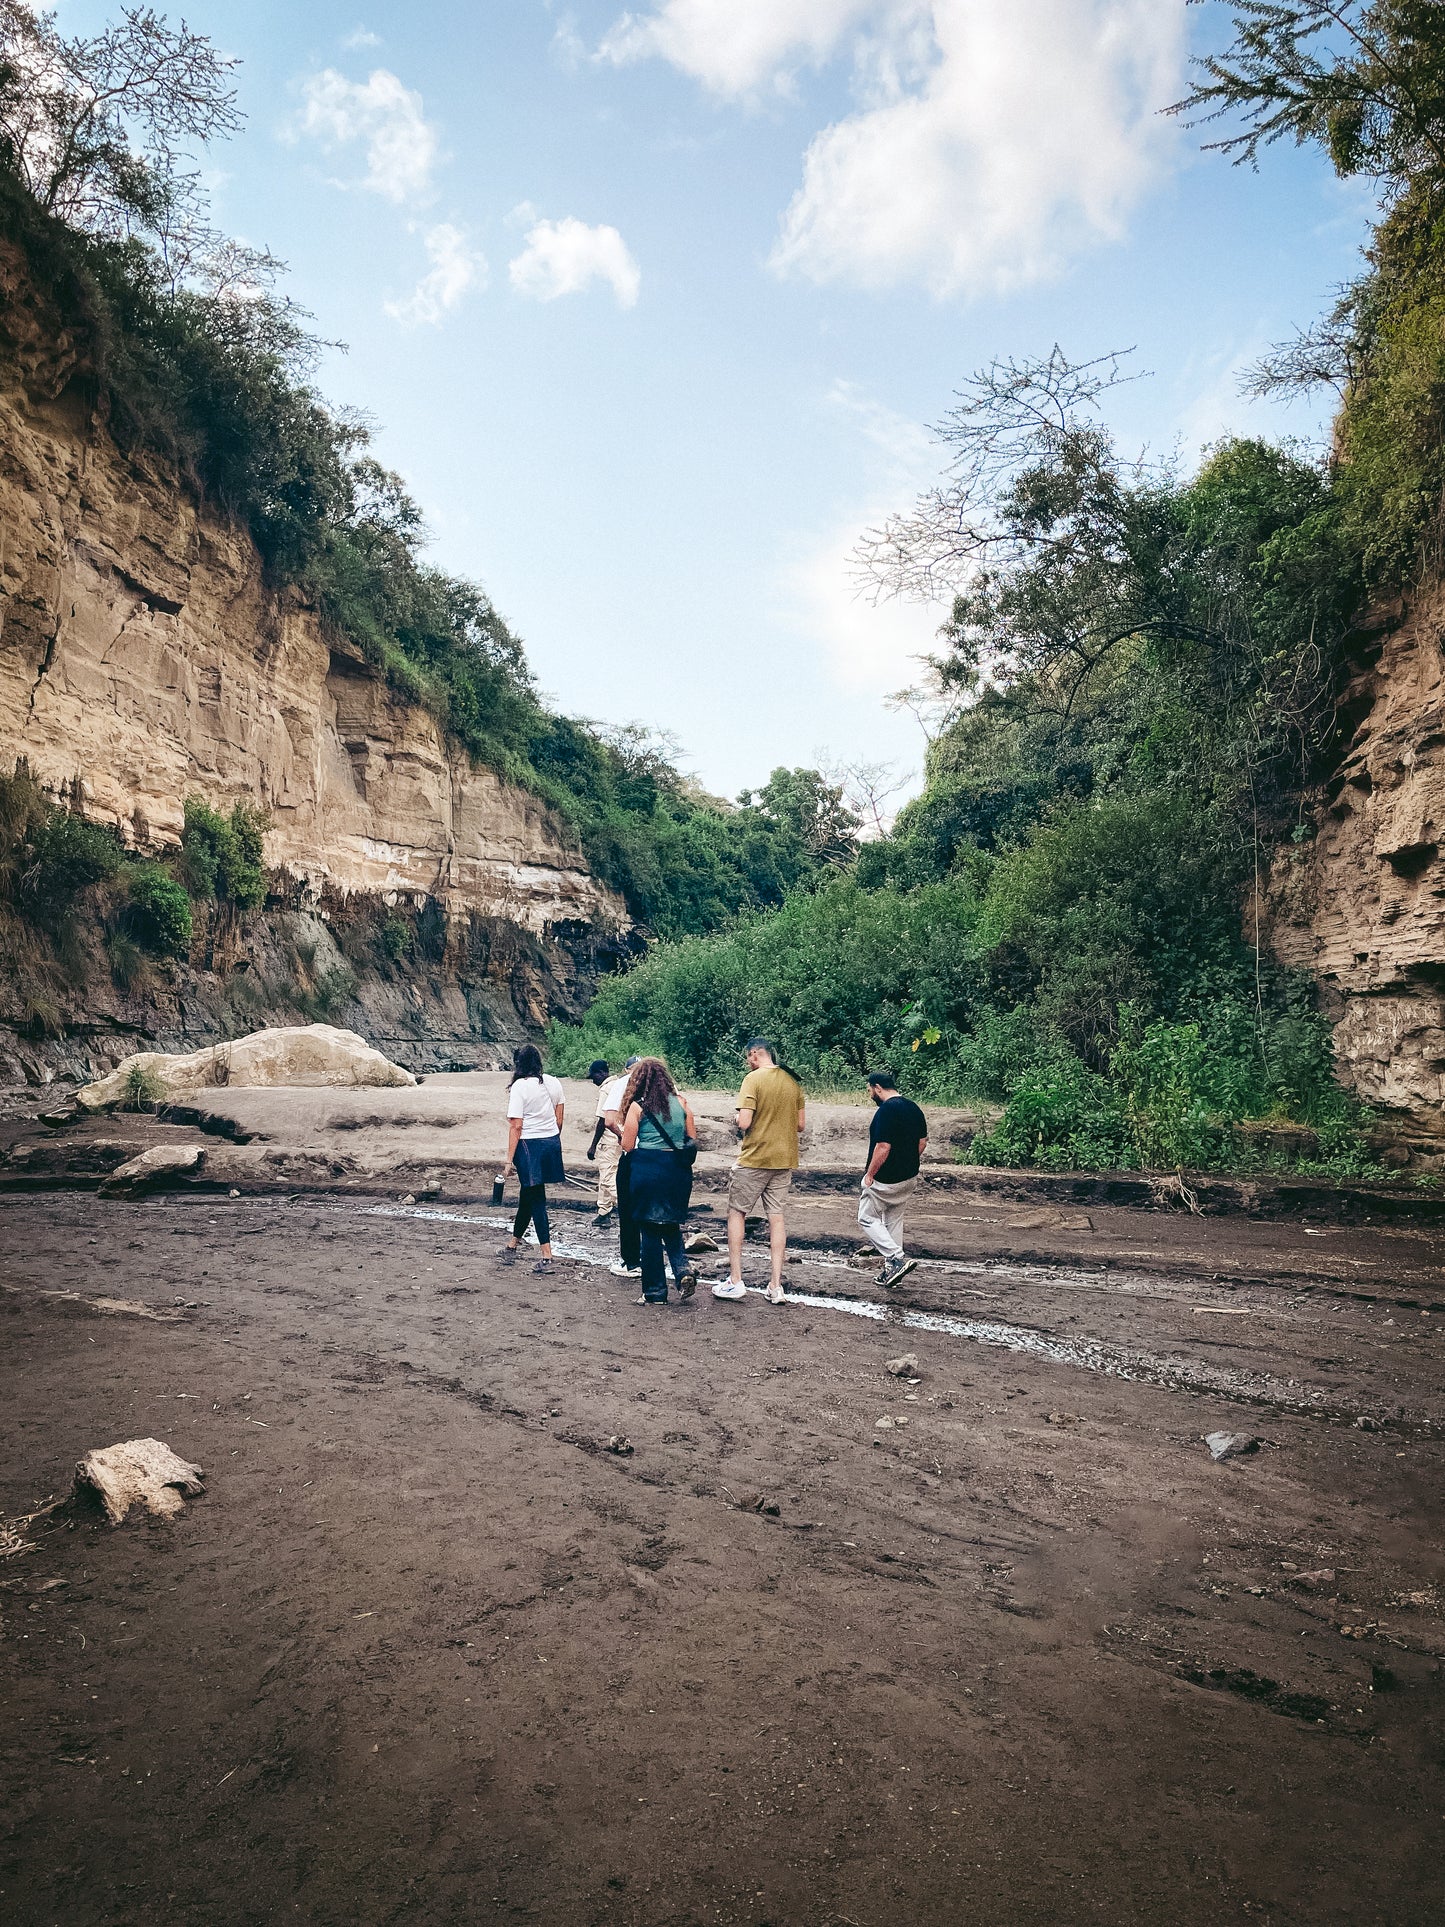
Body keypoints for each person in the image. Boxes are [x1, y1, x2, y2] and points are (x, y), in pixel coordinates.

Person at [713, 1037, 804, 1307]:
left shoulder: (752, 1080)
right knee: (776, 1218)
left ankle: (736, 1280)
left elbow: (744, 1122)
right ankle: (775, 1285)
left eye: (748, 1057)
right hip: (784, 1159)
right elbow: (800, 1125)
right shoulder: (791, 1081)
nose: (747, 1062)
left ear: (755, 1055)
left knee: (737, 1213)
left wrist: (736, 1118)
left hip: (755, 1158)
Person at [617, 1057, 700, 1305]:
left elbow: (628, 1145)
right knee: (671, 1225)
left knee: (650, 1230)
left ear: (640, 1080)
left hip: (647, 1171)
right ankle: (683, 1271)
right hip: (676, 1172)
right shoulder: (682, 1103)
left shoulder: (637, 1107)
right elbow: (691, 1140)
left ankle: (655, 1292)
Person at [858, 1070, 928, 1288]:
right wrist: (907, 1160)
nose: (870, 1095)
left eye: (870, 1090)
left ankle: (896, 1258)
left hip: (886, 1178)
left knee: (866, 1217)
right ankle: (890, 1271)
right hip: (909, 1176)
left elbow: (883, 1146)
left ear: (877, 1087)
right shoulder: (913, 1107)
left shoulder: (887, 1110)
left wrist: (870, 1174)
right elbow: (922, 1141)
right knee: (893, 1219)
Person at [501, 1044, 565, 1274]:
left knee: (536, 1198)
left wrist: (509, 1160)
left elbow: (516, 1126)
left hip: (529, 1145)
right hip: (550, 1142)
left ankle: (547, 1256)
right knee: (528, 1194)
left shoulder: (520, 1086)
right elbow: (559, 1121)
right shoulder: (554, 1082)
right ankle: (512, 1245)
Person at [607, 1055, 644, 1280]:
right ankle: (662, 1261)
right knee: (652, 1210)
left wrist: (624, 1135)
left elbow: (609, 1120)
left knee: (628, 1210)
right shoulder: (664, 1084)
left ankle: (631, 1262)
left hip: (633, 1154)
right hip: (662, 1156)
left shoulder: (621, 1084)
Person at [585, 1058, 626, 1226]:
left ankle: (629, 1206)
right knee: (606, 1175)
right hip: (621, 1136)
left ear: (601, 1073)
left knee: (608, 1177)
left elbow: (603, 1121)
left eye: (593, 1075)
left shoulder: (606, 1089)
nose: (593, 1080)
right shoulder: (621, 1084)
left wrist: (593, 1145)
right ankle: (604, 1212)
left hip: (609, 1139)